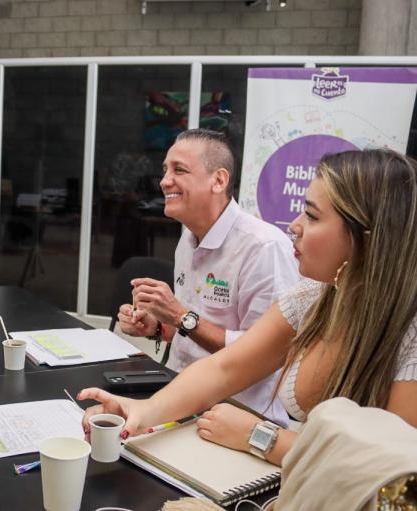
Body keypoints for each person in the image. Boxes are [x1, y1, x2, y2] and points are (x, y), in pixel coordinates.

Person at [80, 149, 417, 467]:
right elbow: (225, 368)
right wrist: (143, 411)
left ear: (368, 241)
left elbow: (390, 469)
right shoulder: (316, 293)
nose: (294, 226)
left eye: (312, 216)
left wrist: (261, 436)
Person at [120, 129, 299, 423]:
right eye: (165, 170)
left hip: (236, 417)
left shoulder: (264, 248)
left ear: (218, 180)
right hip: (178, 400)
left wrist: (180, 316)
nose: (164, 181)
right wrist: (157, 327)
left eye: (179, 170)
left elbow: (264, 355)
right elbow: (192, 333)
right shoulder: (188, 239)